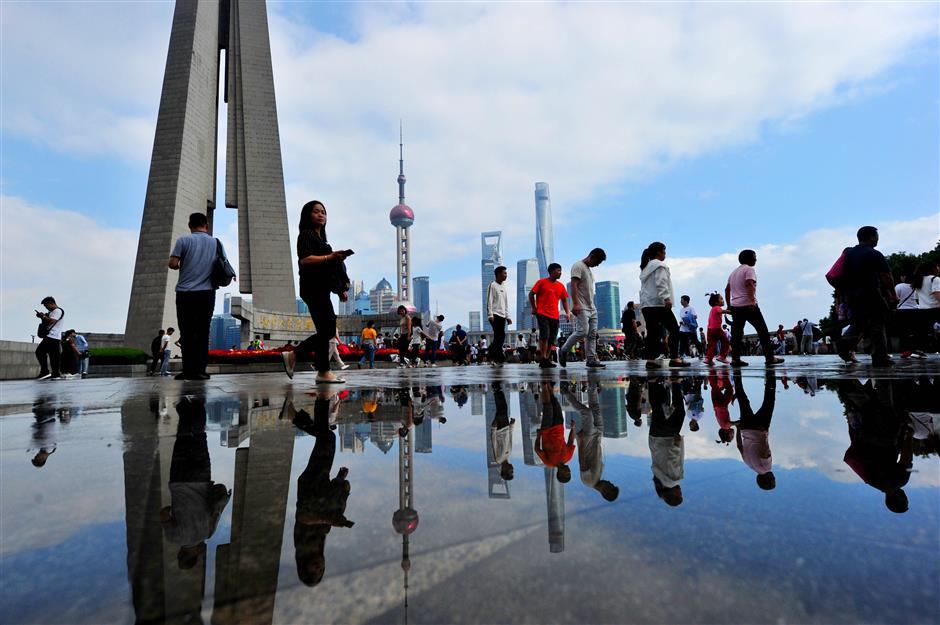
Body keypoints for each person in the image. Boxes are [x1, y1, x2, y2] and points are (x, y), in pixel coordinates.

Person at [283, 393, 354, 586]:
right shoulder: (320, 543)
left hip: (311, 486)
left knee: (327, 438)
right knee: (326, 437)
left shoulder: (304, 546)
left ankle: (299, 414)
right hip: (317, 484)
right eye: (321, 570)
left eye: (314, 570)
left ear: (304, 566)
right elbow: (329, 507)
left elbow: (303, 517)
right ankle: (319, 401)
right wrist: (340, 480)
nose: (318, 567)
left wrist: (330, 520)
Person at [283, 201, 353, 383]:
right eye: (316, 212)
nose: (321, 215)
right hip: (312, 288)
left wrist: (339, 290)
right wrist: (330, 257)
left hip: (321, 288)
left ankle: (323, 371)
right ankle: (296, 355)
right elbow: (305, 260)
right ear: (308, 215)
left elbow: (328, 271)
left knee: (326, 329)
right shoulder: (306, 235)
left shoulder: (323, 241)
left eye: (323, 212)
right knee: (328, 327)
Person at [160, 397, 231, 569]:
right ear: (180, 553)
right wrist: (176, 509)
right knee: (183, 440)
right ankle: (184, 407)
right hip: (179, 479)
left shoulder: (208, 533)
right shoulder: (173, 537)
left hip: (201, 478)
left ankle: (197, 405)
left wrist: (224, 496)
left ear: (196, 554)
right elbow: (164, 514)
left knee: (199, 438)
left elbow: (216, 508)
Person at [168, 212, 230, 380]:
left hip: (185, 293)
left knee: (187, 332)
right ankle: (201, 371)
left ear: (190, 225)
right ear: (206, 226)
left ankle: (188, 370)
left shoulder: (183, 241)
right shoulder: (216, 242)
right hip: (207, 293)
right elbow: (223, 262)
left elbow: (173, 263)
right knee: (202, 332)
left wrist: (184, 264)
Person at [836, 226, 897, 367]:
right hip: (871, 293)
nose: (877, 238)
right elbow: (886, 276)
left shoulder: (848, 254)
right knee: (878, 323)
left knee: (859, 323)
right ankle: (880, 357)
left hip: (852, 295)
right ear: (871, 237)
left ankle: (844, 343)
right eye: (876, 235)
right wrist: (892, 294)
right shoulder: (873, 253)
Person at [724, 249, 784, 367]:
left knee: (737, 334)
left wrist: (729, 305)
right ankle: (770, 358)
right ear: (749, 259)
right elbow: (749, 284)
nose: (756, 259)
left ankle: (735, 359)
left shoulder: (733, 273)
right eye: (754, 257)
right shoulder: (749, 269)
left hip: (736, 307)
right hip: (748, 305)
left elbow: (727, 289)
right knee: (762, 332)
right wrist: (752, 301)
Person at [562, 382, 619, 502]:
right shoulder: (598, 476)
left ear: (605, 491)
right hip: (597, 436)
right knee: (595, 409)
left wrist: (582, 441)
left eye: (610, 485)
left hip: (587, 439)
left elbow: (582, 462)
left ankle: (565, 393)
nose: (609, 482)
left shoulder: (589, 481)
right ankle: (592, 386)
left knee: (587, 413)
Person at [639, 242, 689, 369]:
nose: (665, 254)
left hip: (646, 305)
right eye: (664, 252)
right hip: (659, 304)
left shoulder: (646, 267)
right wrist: (666, 298)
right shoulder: (659, 266)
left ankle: (650, 360)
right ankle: (675, 358)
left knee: (653, 333)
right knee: (674, 330)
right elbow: (661, 283)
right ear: (658, 252)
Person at [560, 248, 607, 369]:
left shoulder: (589, 270)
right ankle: (563, 350)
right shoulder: (578, 266)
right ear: (592, 256)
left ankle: (591, 359)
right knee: (582, 332)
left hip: (592, 307)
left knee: (592, 334)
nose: (597, 265)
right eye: (597, 262)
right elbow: (574, 285)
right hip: (581, 307)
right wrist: (575, 304)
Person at [732, 372, 777, 490]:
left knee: (769, 400)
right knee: (743, 401)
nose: (774, 477)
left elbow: (765, 451)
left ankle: (771, 375)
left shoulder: (766, 468)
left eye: (773, 480)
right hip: (746, 428)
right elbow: (739, 445)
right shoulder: (748, 463)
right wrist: (738, 429)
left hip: (760, 429)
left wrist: (764, 434)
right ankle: (736, 373)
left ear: (767, 479)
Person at [648, 378, 686, 506]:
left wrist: (676, 444)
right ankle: (652, 383)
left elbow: (673, 461)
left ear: (674, 494)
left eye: (680, 494)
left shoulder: (672, 481)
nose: (681, 491)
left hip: (667, 438)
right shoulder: (658, 479)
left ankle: (676, 383)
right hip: (654, 438)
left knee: (680, 412)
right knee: (657, 409)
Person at [529, 263, 571, 368]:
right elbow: (531, 294)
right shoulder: (541, 282)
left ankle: (546, 358)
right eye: (558, 270)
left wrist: (567, 313)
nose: (560, 273)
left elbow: (565, 300)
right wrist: (534, 308)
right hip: (542, 313)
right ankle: (543, 358)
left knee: (552, 338)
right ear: (551, 271)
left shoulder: (560, 286)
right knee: (545, 336)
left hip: (555, 316)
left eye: (560, 270)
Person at [535, 382, 575, 482]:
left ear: (560, 473)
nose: (568, 470)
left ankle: (544, 385)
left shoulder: (549, 462)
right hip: (559, 426)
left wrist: (539, 436)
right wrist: (573, 429)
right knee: (555, 403)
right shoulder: (568, 457)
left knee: (548, 406)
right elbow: (570, 442)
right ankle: (549, 386)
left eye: (567, 473)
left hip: (547, 430)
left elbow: (537, 450)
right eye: (569, 472)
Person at [486, 266, 512, 367]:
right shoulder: (492, 285)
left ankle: (492, 354)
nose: (506, 275)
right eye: (504, 273)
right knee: (498, 336)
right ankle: (497, 358)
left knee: (501, 336)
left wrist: (508, 316)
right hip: (495, 315)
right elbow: (489, 301)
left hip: (502, 316)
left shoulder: (504, 287)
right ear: (498, 274)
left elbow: (506, 303)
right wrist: (490, 314)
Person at [489, 383, 515, 483]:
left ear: (504, 471)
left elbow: (494, 443)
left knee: (502, 410)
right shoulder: (508, 456)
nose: (512, 470)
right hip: (506, 427)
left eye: (510, 472)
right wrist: (512, 426)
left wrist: (493, 429)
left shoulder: (498, 459)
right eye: (513, 472)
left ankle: (496, 390)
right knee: (503, 409)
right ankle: (497, 390)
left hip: (499, 428)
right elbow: (510, 439)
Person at [34, 296, 65, 380]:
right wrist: (42, 316)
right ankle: (55, 374)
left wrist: (43, 316)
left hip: (52, 336)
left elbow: (51, 321)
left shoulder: (57, 311)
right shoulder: (52, 312)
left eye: (46, 305)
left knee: (40, 352)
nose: (46, 307)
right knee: (54, 356)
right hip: (53, 337)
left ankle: (46, 372)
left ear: (52, 303)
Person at [703, 293, 730, 365]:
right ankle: (722, 356)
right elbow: (720, 311)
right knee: (726, 341)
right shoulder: (717, 307)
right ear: (716, 302)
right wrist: (729, 312)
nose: (723, 300)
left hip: (710, 330)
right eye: (721, 299)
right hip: (717, 329)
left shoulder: (712, 309)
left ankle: (708, 359)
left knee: (712, 345)